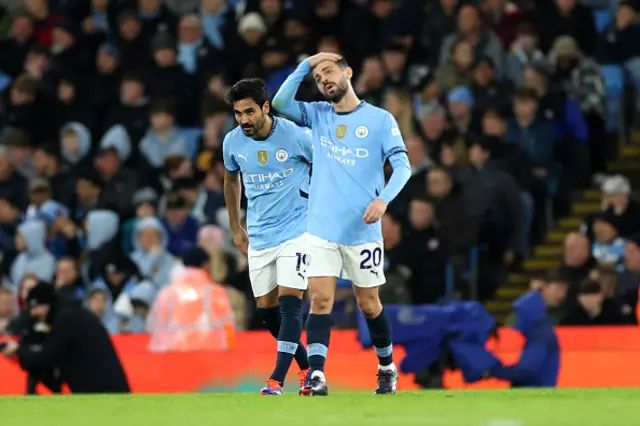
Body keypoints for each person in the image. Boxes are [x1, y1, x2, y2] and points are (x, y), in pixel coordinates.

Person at [272, 52, 412, 395]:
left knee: (369, 304)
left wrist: (383, 200)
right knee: (320, 301)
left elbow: (403, 165)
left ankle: (386, 366)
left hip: (362, 232)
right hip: (321, 229)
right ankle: (317, 375)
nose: (324, 80)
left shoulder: (380, 120)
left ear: (348, 72)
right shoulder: (317, 115)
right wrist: (306, 64)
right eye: (319, 79)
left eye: (329, 72)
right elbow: (278, 102)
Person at [222, 78, 312, 396]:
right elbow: (231, 181)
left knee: (290, 305)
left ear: (265, 107)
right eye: (237, 113)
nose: (244, 119)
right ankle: (309, 370)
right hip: (260, 235)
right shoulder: (232, 143)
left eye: (249, 111)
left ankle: (276, 379)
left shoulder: (298, 137)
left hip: (297, 232)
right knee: (268, 312)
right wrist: (236, 226)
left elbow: (328, 168)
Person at [2, 282, 130, 394]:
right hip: (105, 389)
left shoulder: (67, 319)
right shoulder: (74, 314)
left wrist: (20, 351)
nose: (34, 314)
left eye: (36, 308)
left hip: (103, 392)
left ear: (46, 305)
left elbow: (46, 356)